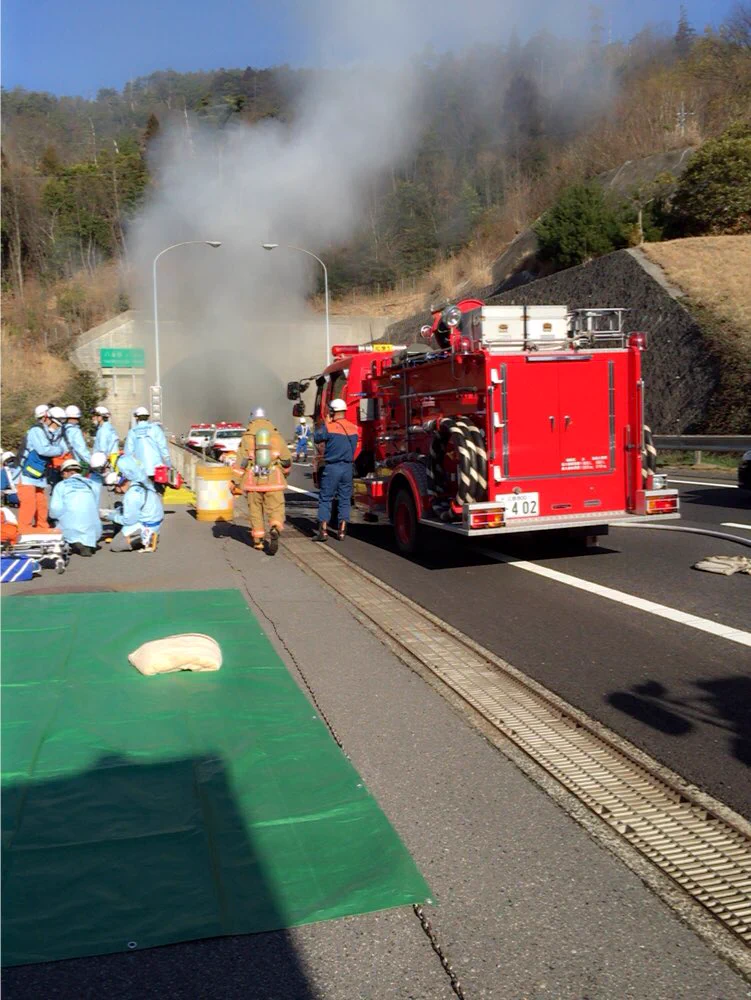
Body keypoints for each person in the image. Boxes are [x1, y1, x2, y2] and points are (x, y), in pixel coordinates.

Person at [231, 407, 291, 554]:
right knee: (276, 509)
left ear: (252, 419)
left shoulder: (247, 437)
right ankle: (275, 527)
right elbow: (286, 459)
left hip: (253, 481)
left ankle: (258, 541)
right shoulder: (276, 436)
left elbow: (240, 463)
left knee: (255, 511)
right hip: (274, 480)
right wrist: (284, 473)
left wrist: (234, 481)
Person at [312, 398, 359, 542]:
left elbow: (316, 437)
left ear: (332, 412)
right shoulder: (353, 428)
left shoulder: (330, 427)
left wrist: (326, 423)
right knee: (344, 499)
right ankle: (342, 531)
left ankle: (323, 531)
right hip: (347, 468)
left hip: (332, 467)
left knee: (325, 498)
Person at [17, 406, 66, 531]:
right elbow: (43, 450)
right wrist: (60, 450)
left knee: (41, 503)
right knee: (29, 504)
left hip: (38, 474)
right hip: (25, 474)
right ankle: (24, 528)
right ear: (47, 418)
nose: (56, 428)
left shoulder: (50, 433)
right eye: (55, 425)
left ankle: (42, 526)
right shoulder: (36, 431)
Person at [48, 457, 102, 556]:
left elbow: (55, 510)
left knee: (53, 517)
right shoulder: (93, 484)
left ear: (65, 472)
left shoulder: (61, 485)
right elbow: (95, 506)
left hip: (70, 526)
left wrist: (54, 518)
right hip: (91, 528)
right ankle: (88, 543)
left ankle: (70, 541)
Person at [102, 472, 164, 553]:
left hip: (146, 525)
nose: (114, 492)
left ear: (118, 485)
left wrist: (111, 516)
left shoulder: (131, 496)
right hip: (154, 519)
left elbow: (129, 521)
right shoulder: (136, 484)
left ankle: (143, 538)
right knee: (118, 506)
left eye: (114, 489)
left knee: (115, 545)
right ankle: (126, 536)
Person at [124, 406, 170, 490]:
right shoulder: (155, 429)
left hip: (140, 470)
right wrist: (168, 464)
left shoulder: (132, 432)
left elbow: (128, 453)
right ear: (148, 417)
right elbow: (163, 448)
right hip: (157, 470)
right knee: (157, 492)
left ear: (137, 418)